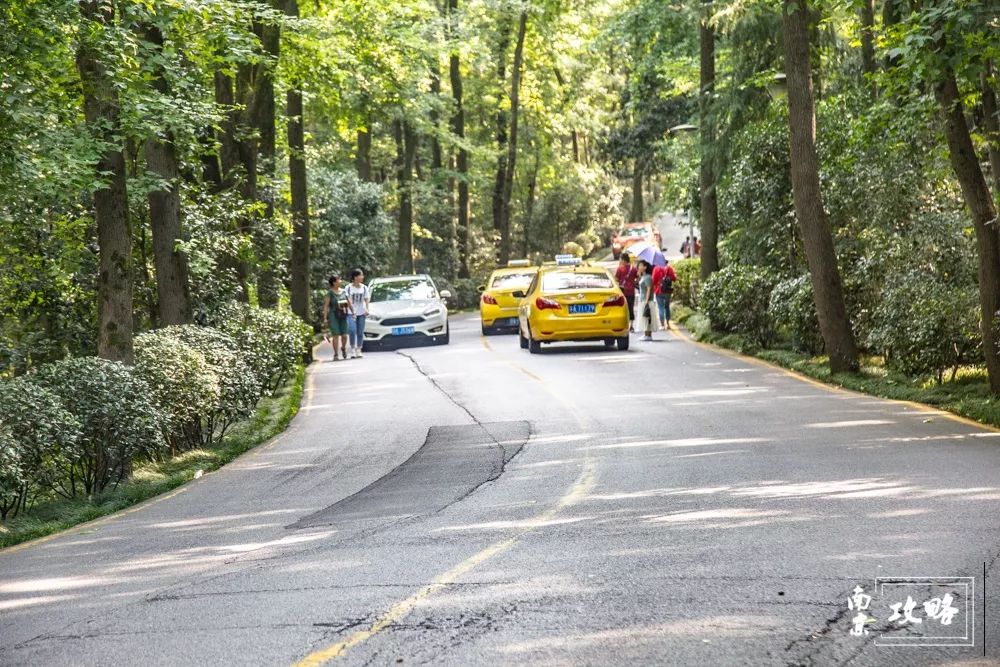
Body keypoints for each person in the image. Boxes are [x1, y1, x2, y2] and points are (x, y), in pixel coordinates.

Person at [323, 275, 350, 361]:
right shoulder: (330, 293)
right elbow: (326, 306)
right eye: (339, 280)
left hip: (343, 315)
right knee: (336, 335)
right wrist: (325, 318)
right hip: (333, 315)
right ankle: (336, 354)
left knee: (344, 335)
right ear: (334, 282)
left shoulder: (344, 292)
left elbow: (349, 303)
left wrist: (353, 312)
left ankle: (343, 348)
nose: (341, 281)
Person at [346, 268, 371, 359]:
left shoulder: (364, 288)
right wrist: (353, 311)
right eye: (361, 275)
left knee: (360, 332)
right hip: (351, 313)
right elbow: (348, 300)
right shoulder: (348, 288)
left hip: (361, 312)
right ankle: (352, 349)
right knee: (352, 330)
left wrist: (367, 309)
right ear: (355, 277)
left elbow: (366, 299)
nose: (362, 277)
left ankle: (359, 349)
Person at [614, 252, 638, 332]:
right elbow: (637, 277)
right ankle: (631, 326)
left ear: (623, 260)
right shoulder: (633, 268)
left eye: (620, 259)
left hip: (622, 292)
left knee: (622, 309)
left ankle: (624, 325)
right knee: (631, 308)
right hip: (631, 291)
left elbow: (616, 280)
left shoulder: (620, 269)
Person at [651, 260, 678, 329]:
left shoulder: (656, 268)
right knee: (667, 307)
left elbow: (653, 281)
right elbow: (674, 278)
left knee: (661, 307)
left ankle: (662, 325)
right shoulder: (669, 268)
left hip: (659, 291)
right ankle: (668, 324)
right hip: (667, 291)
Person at [635, 259, 657, 341]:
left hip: (646, 300)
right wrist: (639, 275)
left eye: (641, 265)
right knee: (645, 317)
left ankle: (648, 335)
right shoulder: (643, 277)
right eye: (639, 265)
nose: (639, 267)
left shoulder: (648, 277)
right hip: (642, 300)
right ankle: (646, 334)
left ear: (645, 267)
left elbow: (648, 289)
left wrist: (647, 301)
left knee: (647, 317)